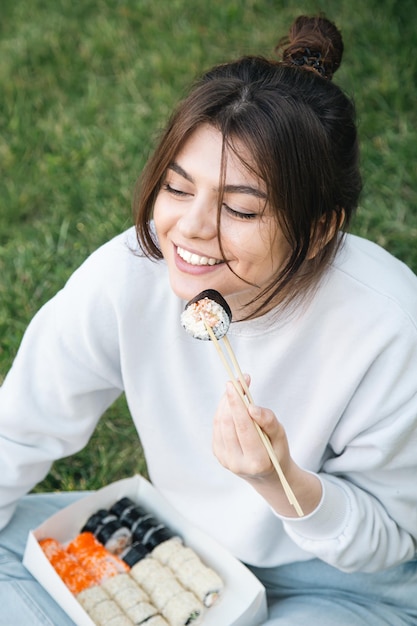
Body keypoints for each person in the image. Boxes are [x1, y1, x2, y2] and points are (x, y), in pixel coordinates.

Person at [1, 13, 416, 626]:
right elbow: (19, 430)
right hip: (173, 541)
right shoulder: (128, 274)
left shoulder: (390, 326)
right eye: (176, 188)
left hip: (334, 588)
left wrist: (282, 484)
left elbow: (393, 537)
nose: (190, 229)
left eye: (240, 209)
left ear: (322, 227)